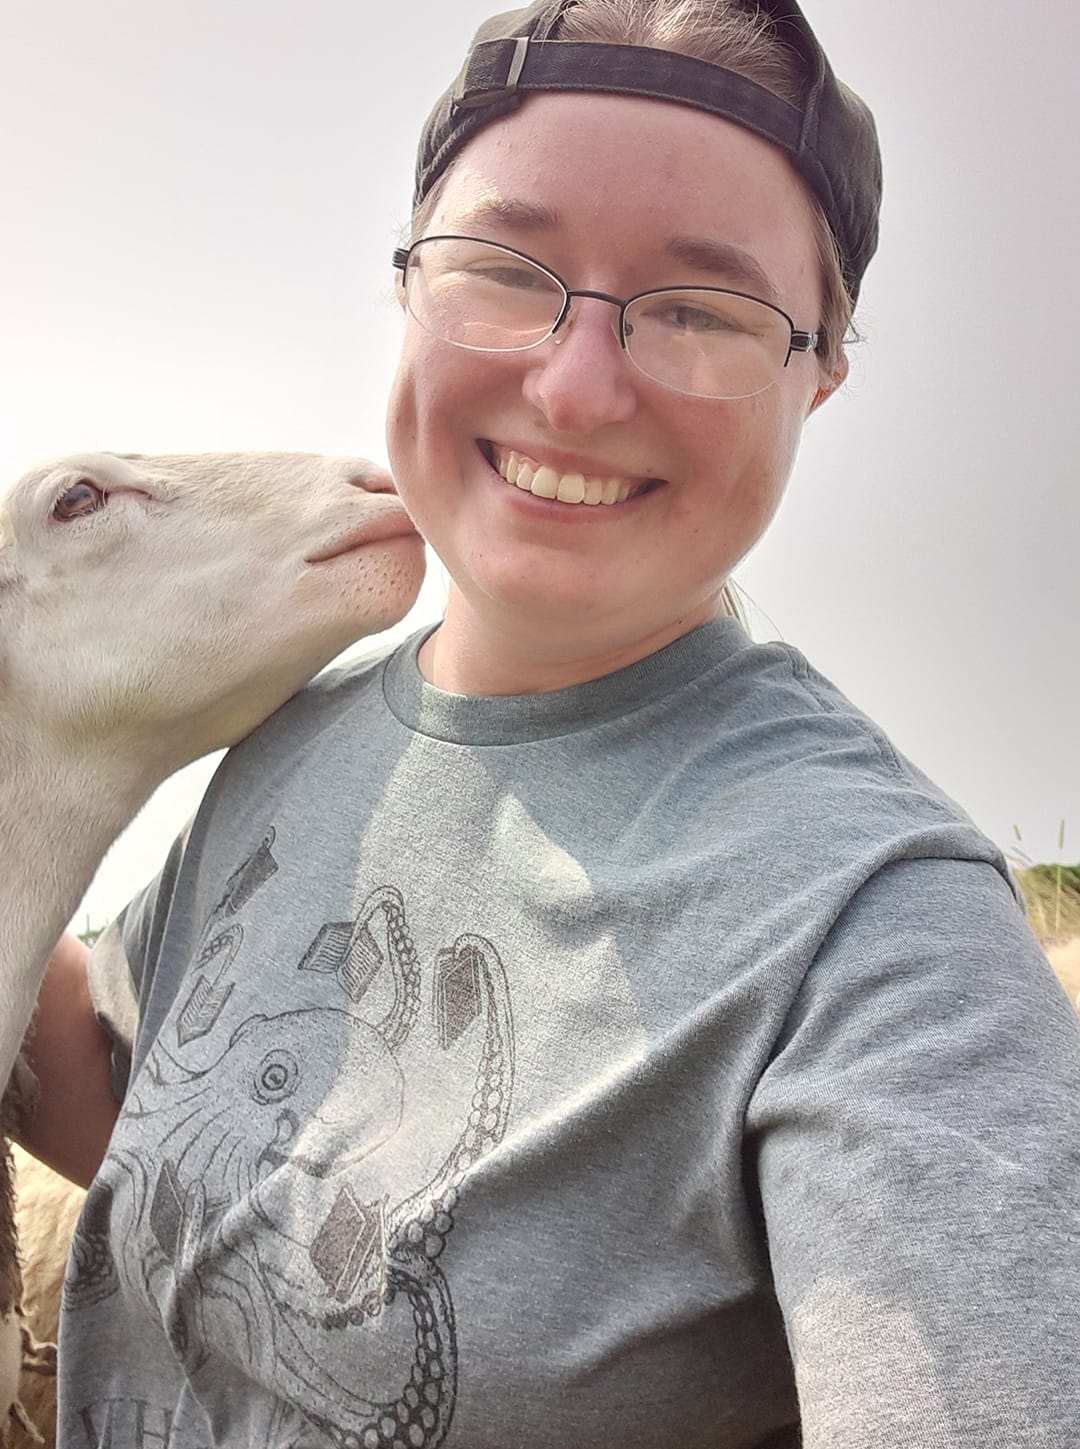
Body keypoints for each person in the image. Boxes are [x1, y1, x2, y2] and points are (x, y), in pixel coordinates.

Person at [22, 1, 1080, 1445]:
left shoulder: (881, 943)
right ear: (408, 283)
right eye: (503, 271)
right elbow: (115, 1091)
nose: (575, 386)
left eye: (701, 307)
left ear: (821, 369)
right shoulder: (289, 739)